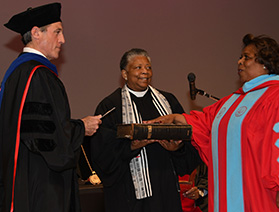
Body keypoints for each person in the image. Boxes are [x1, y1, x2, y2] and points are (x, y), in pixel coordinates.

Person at [146, 34, 279, 211]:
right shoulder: (234, 100)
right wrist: (175, 118)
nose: (239, 62)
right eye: (240, 57)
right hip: (230, 190)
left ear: (265, 63)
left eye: (246, 57)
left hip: (263, 192)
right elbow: (205, 122)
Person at [0, 3, 102, 212]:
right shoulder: (37, 75)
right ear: (36, 33)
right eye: (57, 32)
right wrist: (81, 127)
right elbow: (44, 138)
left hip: (21, 179)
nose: (63, 40)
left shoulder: (17, 73)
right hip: (40, 185)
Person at [90, 48, 201, 212]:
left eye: (148, 67)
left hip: (165, 189)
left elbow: (188, 141)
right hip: (128, 195)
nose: (145, 72)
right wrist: (131, 146)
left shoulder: (168, 101)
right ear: (124, 74)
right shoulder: (110, 106)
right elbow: (102, 154)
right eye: (138, 67)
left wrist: (177, 148)